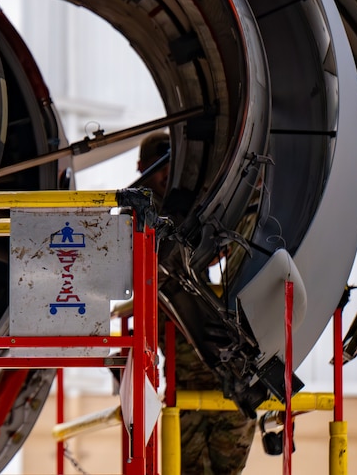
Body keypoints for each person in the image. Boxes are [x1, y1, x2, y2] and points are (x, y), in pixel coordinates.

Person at [139, 132, 255, 475]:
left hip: (233, 371)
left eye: (172, 162)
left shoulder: (213, 210)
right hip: (182, 371)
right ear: (142, 168)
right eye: (160, 164)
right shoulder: (143, 220)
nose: (167, 171)